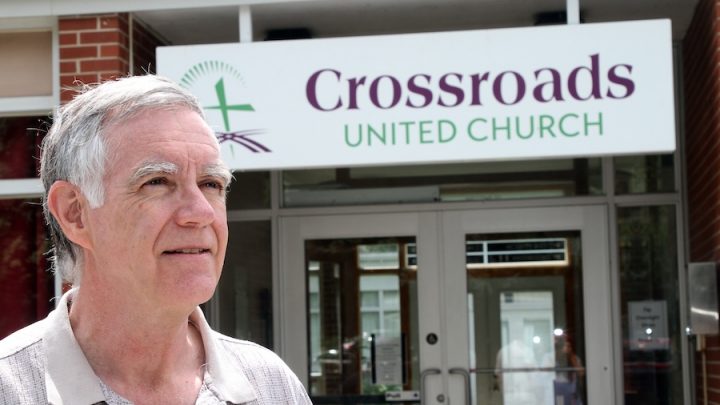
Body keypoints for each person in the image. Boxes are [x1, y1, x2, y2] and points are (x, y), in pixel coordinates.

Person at [0, 75, 312, 404]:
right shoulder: (11, 389)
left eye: (211, 184)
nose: (201, 212)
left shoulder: (272, 386)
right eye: (158, 182)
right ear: (75, 213)